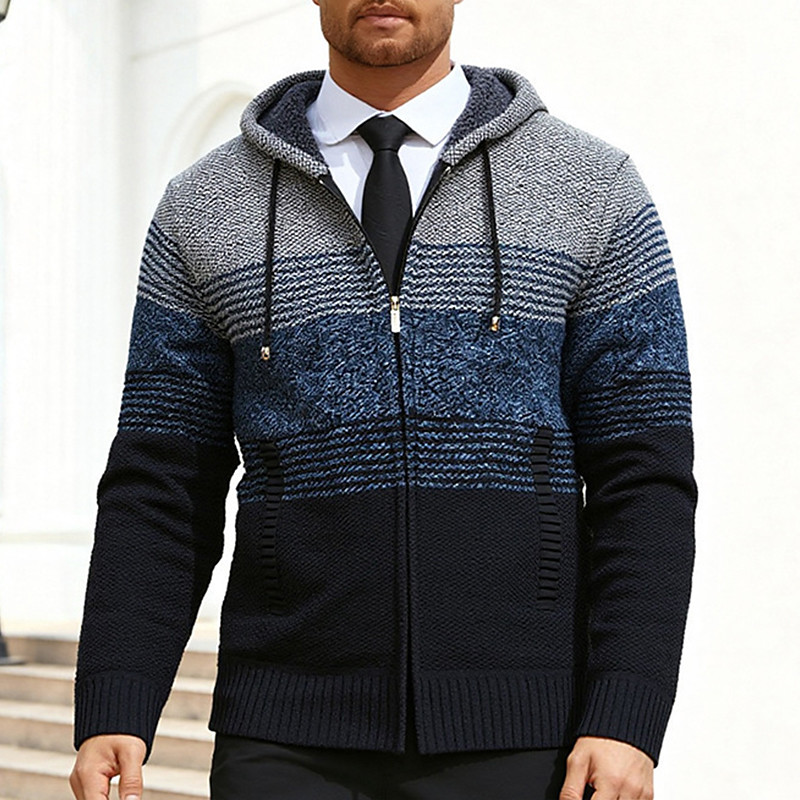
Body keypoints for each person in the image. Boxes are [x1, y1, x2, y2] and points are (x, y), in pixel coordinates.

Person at [69, 1, 697, 798]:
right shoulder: (205, 206)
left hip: (525, 731)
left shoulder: (592, 187)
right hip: (285, 736)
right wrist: (117, 696)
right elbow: (160, 483)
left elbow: (644, 477)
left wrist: (627, 713)